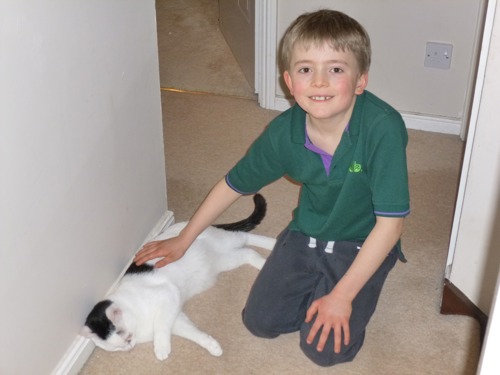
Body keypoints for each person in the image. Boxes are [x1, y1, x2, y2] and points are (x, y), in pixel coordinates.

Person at [134, 9, 410, 367]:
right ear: (289, 81)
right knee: (260, 323)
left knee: (324, 351)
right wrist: (185, 238)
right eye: (306, 69)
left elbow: (391, 224)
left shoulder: (382, 128)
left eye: (336, 69)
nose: (320, 81)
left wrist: (342, 295)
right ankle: (317, 278)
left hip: (364, 237)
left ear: (360, 81)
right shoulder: (283, 134)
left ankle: (361, 278)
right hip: (307, 230)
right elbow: (233, 184)